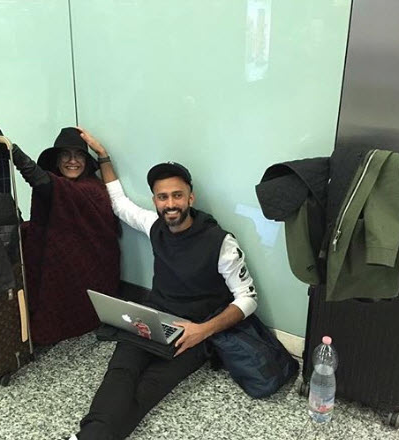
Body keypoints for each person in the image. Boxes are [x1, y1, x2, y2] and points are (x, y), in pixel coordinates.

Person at [68, 129, 258, 440]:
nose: (170, 203)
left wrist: (203, 330)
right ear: (155, 201)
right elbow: (120, 204)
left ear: (190, 198)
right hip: (153, 318)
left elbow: (248, 298)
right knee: (120, 372)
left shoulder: (221, 242)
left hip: (194, 331)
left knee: (148, 390)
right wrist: (103, 156)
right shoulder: (154, 225)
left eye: (177, 195)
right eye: (162, 196)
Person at [11, 127, 120, 346]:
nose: (72, 161)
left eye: (79, 155)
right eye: (65, 155)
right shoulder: (62, 186)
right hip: (64, 253)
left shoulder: (91, 188)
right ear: (57, 160)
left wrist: (16, 154)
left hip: (93, 269)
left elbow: (45, 184)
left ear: (86, 161)